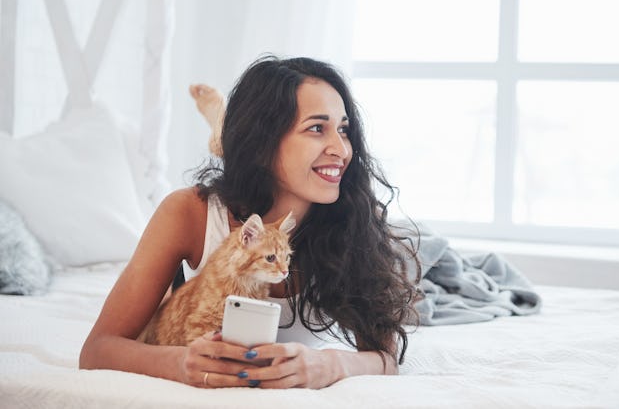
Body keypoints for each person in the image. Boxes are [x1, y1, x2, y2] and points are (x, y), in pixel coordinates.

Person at [79, 55, 419, 389]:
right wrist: (180, 363)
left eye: (343, 130)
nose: (342, 150)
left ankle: (222, 128)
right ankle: (222, 129)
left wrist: (328, 364)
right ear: (264, 143)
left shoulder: (355, 219)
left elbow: (385, 358)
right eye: (317, 128)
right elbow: (97, 349)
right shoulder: (188, 212)